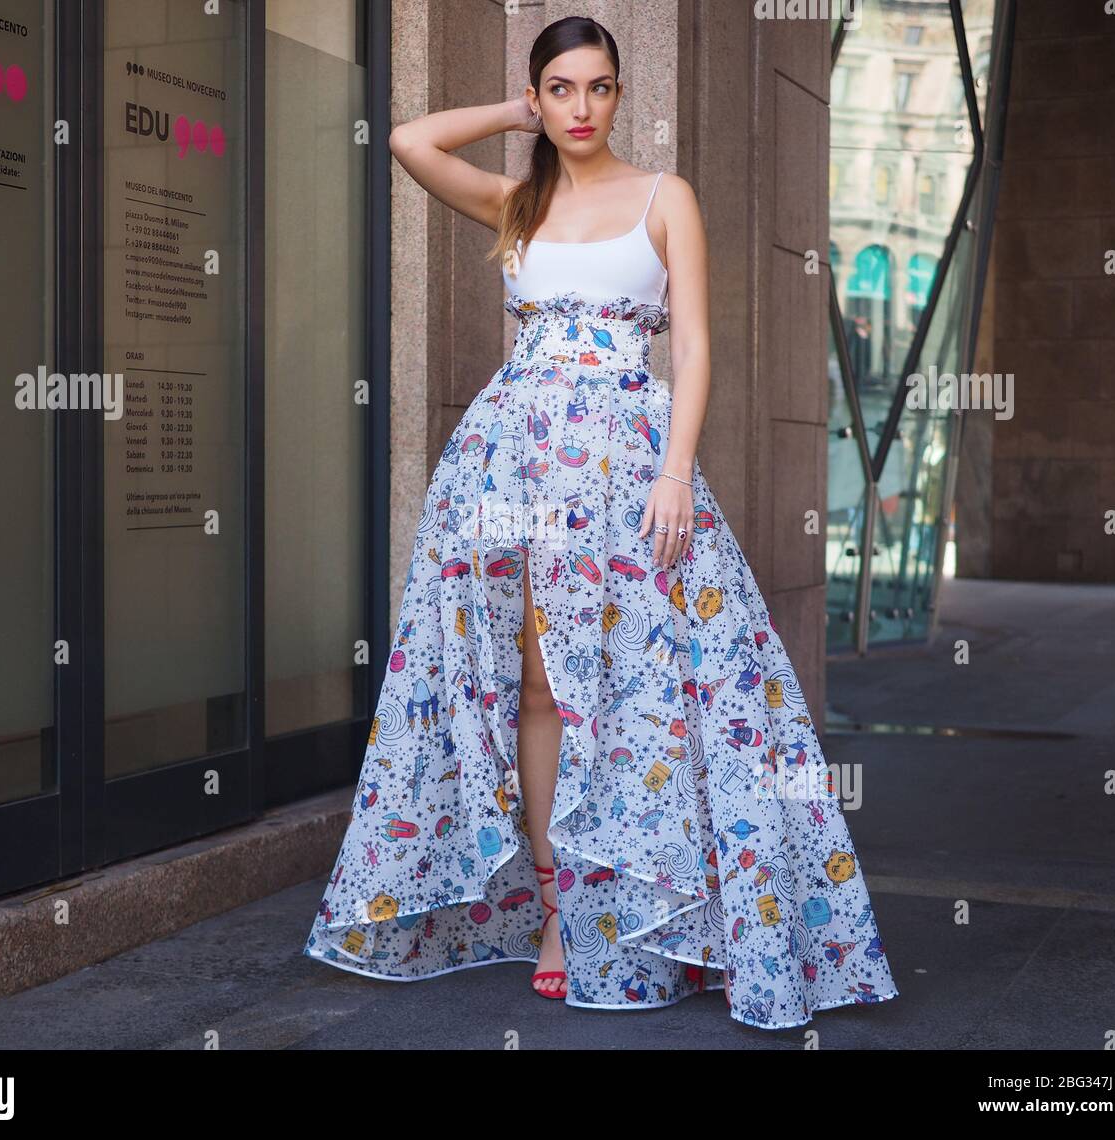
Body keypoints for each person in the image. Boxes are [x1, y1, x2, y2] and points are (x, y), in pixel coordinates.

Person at [303, 14, 899, 1030]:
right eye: (562, 89)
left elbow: (698, 346)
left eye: (600, 88)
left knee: (655, 683)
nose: (582, 108)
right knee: (537, 679)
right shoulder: (515, 201)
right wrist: (509, 110)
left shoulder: (667, 198)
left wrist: (676, 474)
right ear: (542, 98)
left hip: (632, 468)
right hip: (514, 463)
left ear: (622, 96)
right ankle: (557, 907)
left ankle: (697, 912)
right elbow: (408, 141)